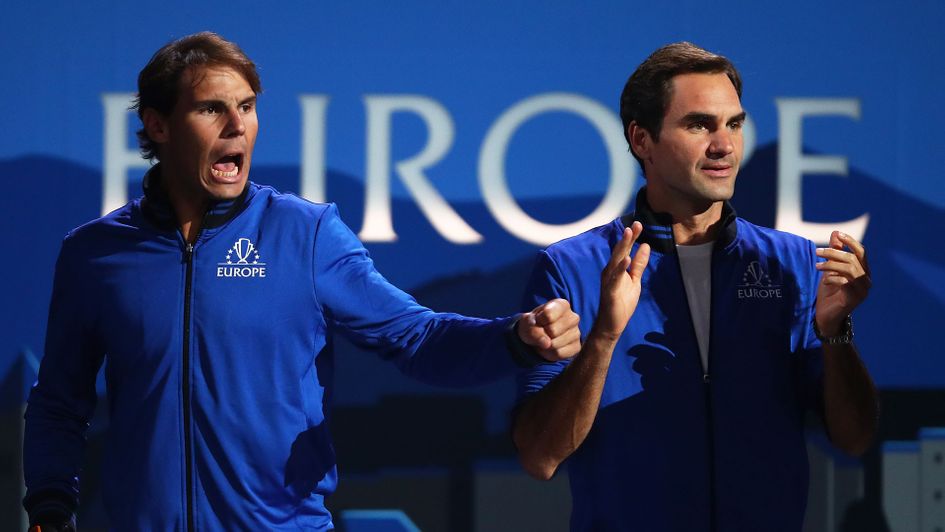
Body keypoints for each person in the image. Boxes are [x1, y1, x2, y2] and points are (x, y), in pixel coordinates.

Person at [23, 32, 582, 531]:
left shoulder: (306, 234)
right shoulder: (94, 254)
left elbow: (417, 337)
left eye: (246, 107)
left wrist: (514, 338)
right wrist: (50, 506)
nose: (237, 125)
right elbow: (59, 403)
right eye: (212, 109)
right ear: (158, 124)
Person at [512, 42, 878, 531]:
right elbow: (540, 457)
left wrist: (836, 331)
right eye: (699, 124)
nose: (723, 145)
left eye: (734, 124)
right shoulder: (572, 268)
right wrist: (602, 340)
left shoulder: (794, 263)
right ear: (642, 140)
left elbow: (854, 439)